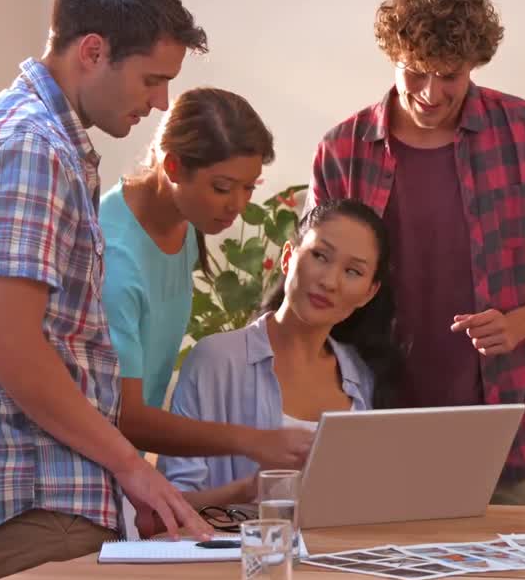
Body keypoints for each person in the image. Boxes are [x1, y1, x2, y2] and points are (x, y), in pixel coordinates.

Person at [310, 0, 525, 505]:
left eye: (449, 76)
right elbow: (315, 291)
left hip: (524, 424)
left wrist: (519, 325)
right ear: (392, 55)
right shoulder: (342, 151)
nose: (430, 93)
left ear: (475, 64)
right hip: (383, 425)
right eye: (415, 72)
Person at [0, 0, 212, 580]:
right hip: (34, 500)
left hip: (46, 495)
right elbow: (10, 345)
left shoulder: (36, 138)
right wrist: (134, 467)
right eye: (151, 79)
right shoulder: (34, 147)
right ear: (92, 51)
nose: (162, 101)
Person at [102, 87, 314, 469]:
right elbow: (125, 416)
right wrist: (253, 441)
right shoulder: (116, 257)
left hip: (120, 468)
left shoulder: (182, 223)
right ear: (172, 167)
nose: (237, 205)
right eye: (222, 188)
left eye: (248, 187)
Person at [159, 199, 394, 506]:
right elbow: (168, 510)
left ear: (369, 292)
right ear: (288, 257)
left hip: (337, 554)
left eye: (352, 271)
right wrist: (249, 490)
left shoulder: (362, 378)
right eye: (320, 256)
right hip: (235, 553)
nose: (329, 281)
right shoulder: (217, 361)